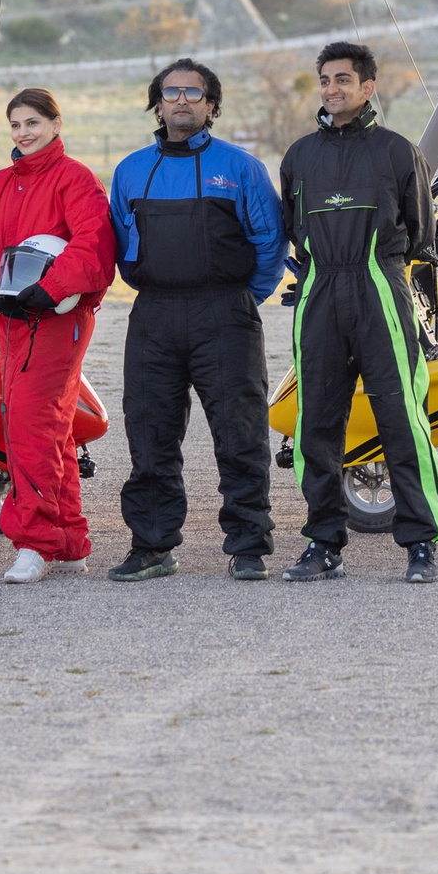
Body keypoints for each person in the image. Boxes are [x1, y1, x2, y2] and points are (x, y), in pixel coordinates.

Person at [106, 59, 288, 582]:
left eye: (193, 92)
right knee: (150, 434)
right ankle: (153, 546)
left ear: (212, 105)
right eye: (171, 92)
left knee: (240, 433)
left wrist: (239, 299)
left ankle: (249, 545)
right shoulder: (131, 170)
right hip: (154, 315)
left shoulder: (242, 168)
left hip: (224, 313)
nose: (181, 100)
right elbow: (120, 241)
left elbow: (269, 244)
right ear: (156, 103)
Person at [277, 40, 438, 584]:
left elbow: (420, 234)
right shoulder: (300, 155)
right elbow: (291, 227)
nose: (332, 89)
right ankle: (323, 544)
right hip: (320, 290)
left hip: (379, 287)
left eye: (343, 80)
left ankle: (420, 544)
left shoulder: (398, 151)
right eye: (325, 80)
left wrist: (379, 269)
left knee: (402, 419)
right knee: (316, 425)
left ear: (367, 87)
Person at [0, 88, 116, 584]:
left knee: (31, 425)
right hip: (11, 319)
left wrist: (48, 289)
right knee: (47, 427)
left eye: (33, 122)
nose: (23, 133)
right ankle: (70, 541)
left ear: (56, 124)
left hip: (57, 319)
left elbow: (94, 244)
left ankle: (34, 542)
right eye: (15, 125)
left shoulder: (76, 180)